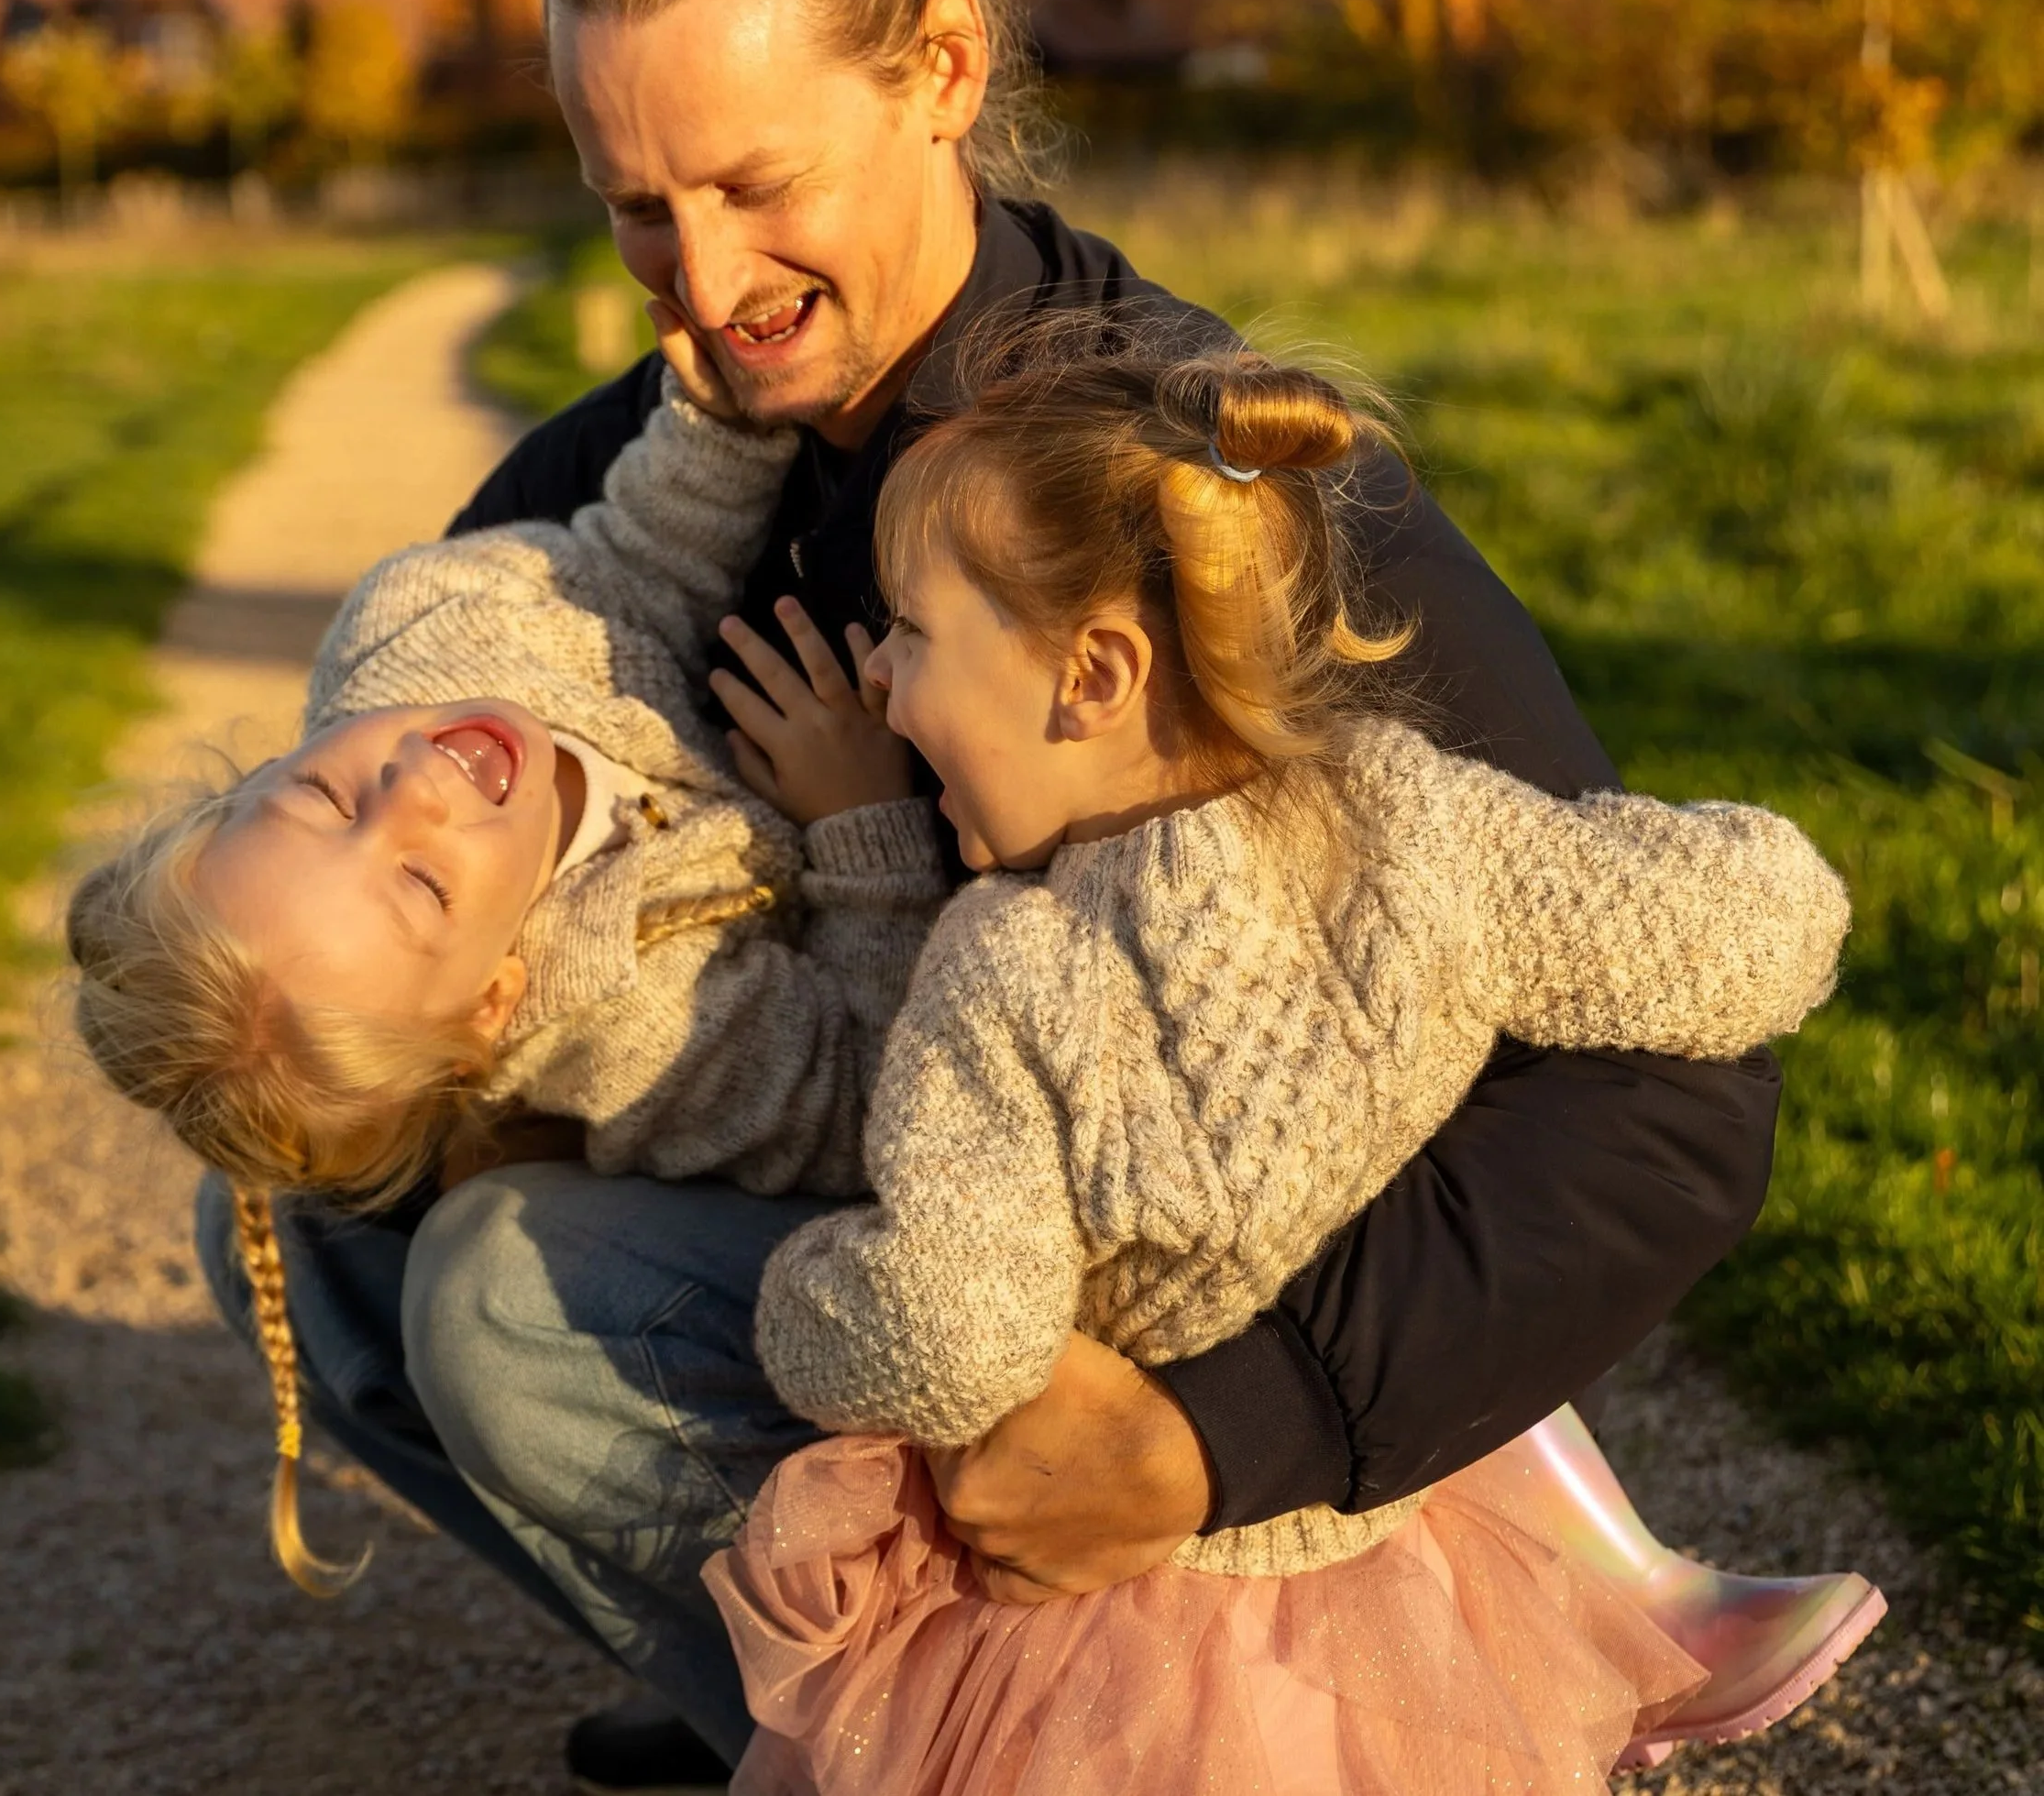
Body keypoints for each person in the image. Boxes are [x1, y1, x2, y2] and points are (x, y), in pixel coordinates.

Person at [193, 0, 1786, 1782]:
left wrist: (1224, 1427)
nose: (698, 286)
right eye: (634, 208)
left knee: (507, 1298)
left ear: (941, 69)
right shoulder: (622, 464)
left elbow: (1675, 1104)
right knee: (305, 1211)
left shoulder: (1167, 480)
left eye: (756, 182)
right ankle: (811, 1683)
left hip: (1144, 1324)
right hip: (892, 1220)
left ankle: (1069, 1735)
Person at [705, 327, 1853, 1795]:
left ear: (1095, 674)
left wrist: (801, 1296)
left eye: (914, 635)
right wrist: (1728, 854)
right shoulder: (1409, 821)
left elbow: (950, 1336)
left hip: (1113, 1638)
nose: (887, 688)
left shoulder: (1008, 969)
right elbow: (1765, 931)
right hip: (1399, 1578)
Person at [72, 332, 944, 1591]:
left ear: (265, 765)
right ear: (494, 998)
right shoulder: (640, 1019)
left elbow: (629, 569)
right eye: (422, 886)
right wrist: (863, 825)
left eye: (323, 794)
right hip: (859, 1238)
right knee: (318, 1246)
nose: (415, 789)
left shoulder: (413, 632)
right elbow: (871, 1092)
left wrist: (725, 420)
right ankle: (793, 1663)